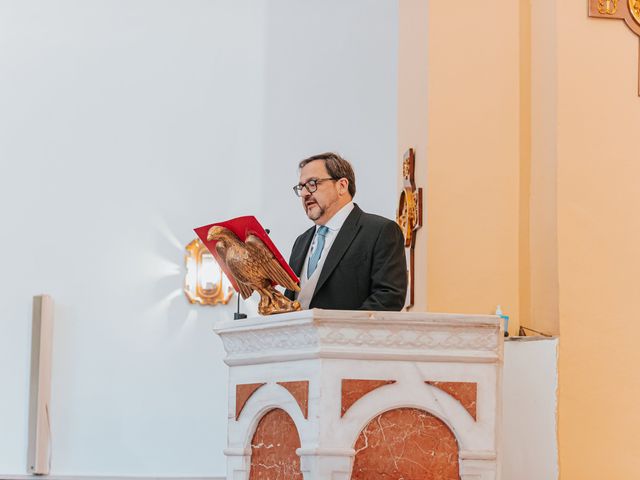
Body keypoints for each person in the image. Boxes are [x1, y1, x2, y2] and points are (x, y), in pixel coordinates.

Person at [284, 152, 407, 311]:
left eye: (312, 183)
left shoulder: (380, 231)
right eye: (301, 187)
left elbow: (389, 297)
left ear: (342, 186)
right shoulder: (301, 242)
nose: (305, 193)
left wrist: (343, 332)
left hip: (348, 335)